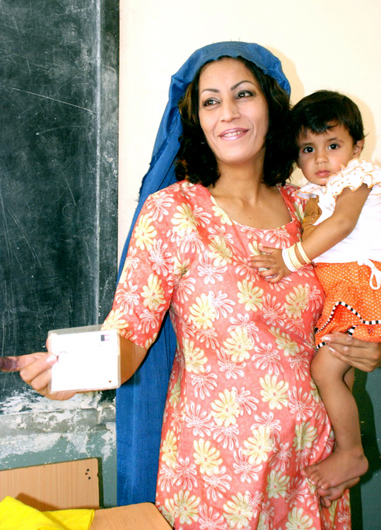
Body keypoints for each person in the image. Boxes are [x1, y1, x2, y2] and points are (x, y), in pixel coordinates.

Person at [1, 44, 381, 529]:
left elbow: (355, 292)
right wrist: (67, 374)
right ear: (196, 119)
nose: (228, 113)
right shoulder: (175, 214)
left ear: (270, 105)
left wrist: (371, 348)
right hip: (218, 473)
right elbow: (129, 336)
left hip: (312, 465)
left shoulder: (310, 211)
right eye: (210, 101)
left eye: (243, 94)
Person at [249, 90, 381, 493]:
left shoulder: (357, 179)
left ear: (357, 147)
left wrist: (289, 260)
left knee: (325, 371)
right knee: (327, 371)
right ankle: (346, 453)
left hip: (358, 285)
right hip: (342, 287)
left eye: (333, 145)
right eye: (308, 148)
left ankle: (352, 453)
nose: (320, 159)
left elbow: (340, 225)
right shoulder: (309, 194)